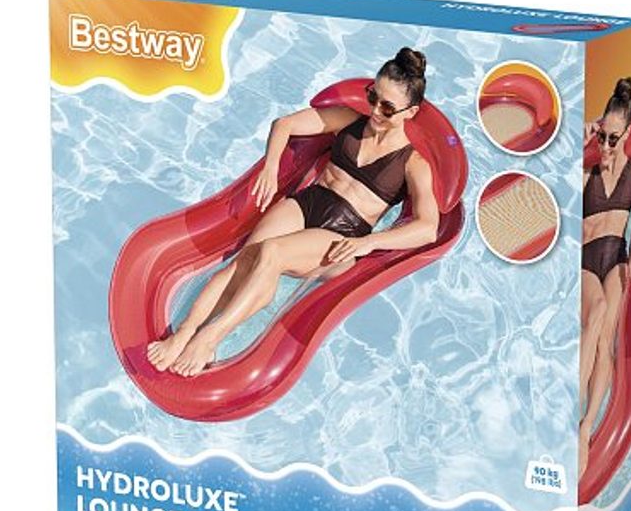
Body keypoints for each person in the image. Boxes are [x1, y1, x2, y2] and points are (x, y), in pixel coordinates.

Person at [146, 48, 440, 376]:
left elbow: (428, 227)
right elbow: (284, 124)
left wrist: (368, 243)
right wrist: (270, 168)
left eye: (387, 107)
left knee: (271, 252)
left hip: (343, 234)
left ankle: (210, 338)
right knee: (243, 261)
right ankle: (185, 332)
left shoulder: (413, 164)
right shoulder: (349, 119)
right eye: (373, 96)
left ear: (411, 112)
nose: (375, 111)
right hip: (309, 202)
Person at [579, 77, 631, 477]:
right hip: (586, 260)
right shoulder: (586, 168)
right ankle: (570, 406)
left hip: (616, 257)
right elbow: (549, 186)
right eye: (602, 135)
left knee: (607, 341)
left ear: (629, 133)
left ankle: (586, 424)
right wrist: (581, 142)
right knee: (598, 312)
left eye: (613, 138)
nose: (606, 145)